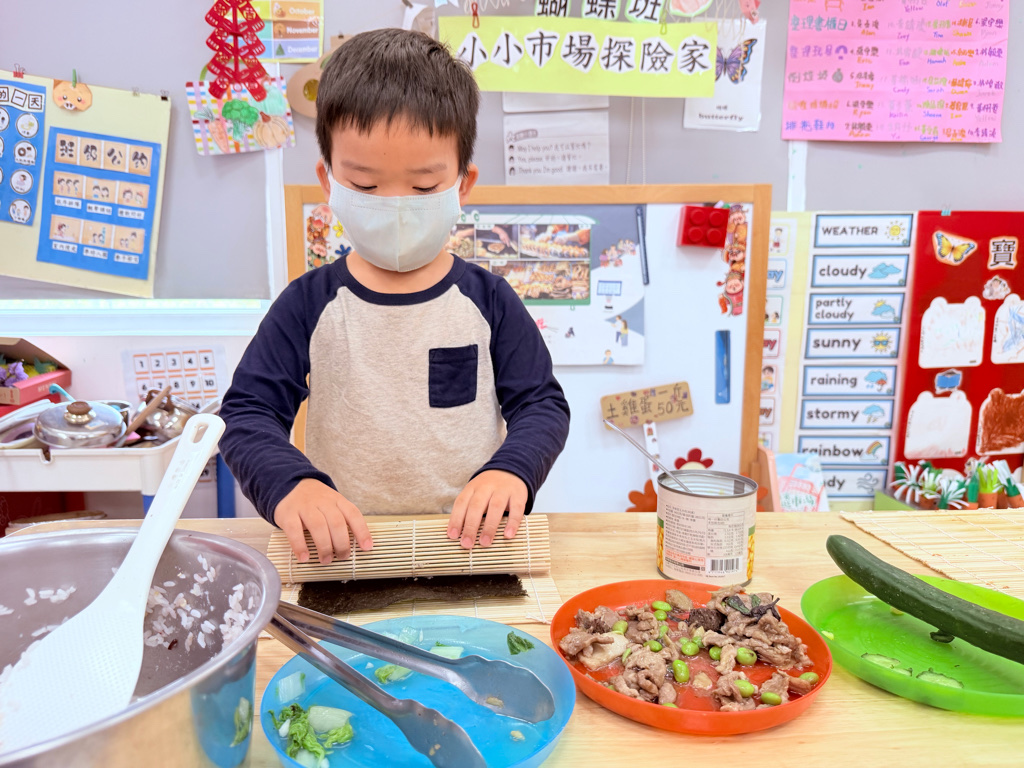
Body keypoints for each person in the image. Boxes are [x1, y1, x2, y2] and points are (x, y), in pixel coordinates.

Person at [220, 29, 570, 566]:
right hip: (343, 553)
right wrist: (292, 484)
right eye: (365, 186)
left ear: (463, 184)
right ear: (329, 181)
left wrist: (511, 470)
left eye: (424, 187)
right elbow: (248, 414)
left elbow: (541, 405)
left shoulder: (490, 300)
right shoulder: (307, 304)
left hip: (466, 548)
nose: (397, 206)